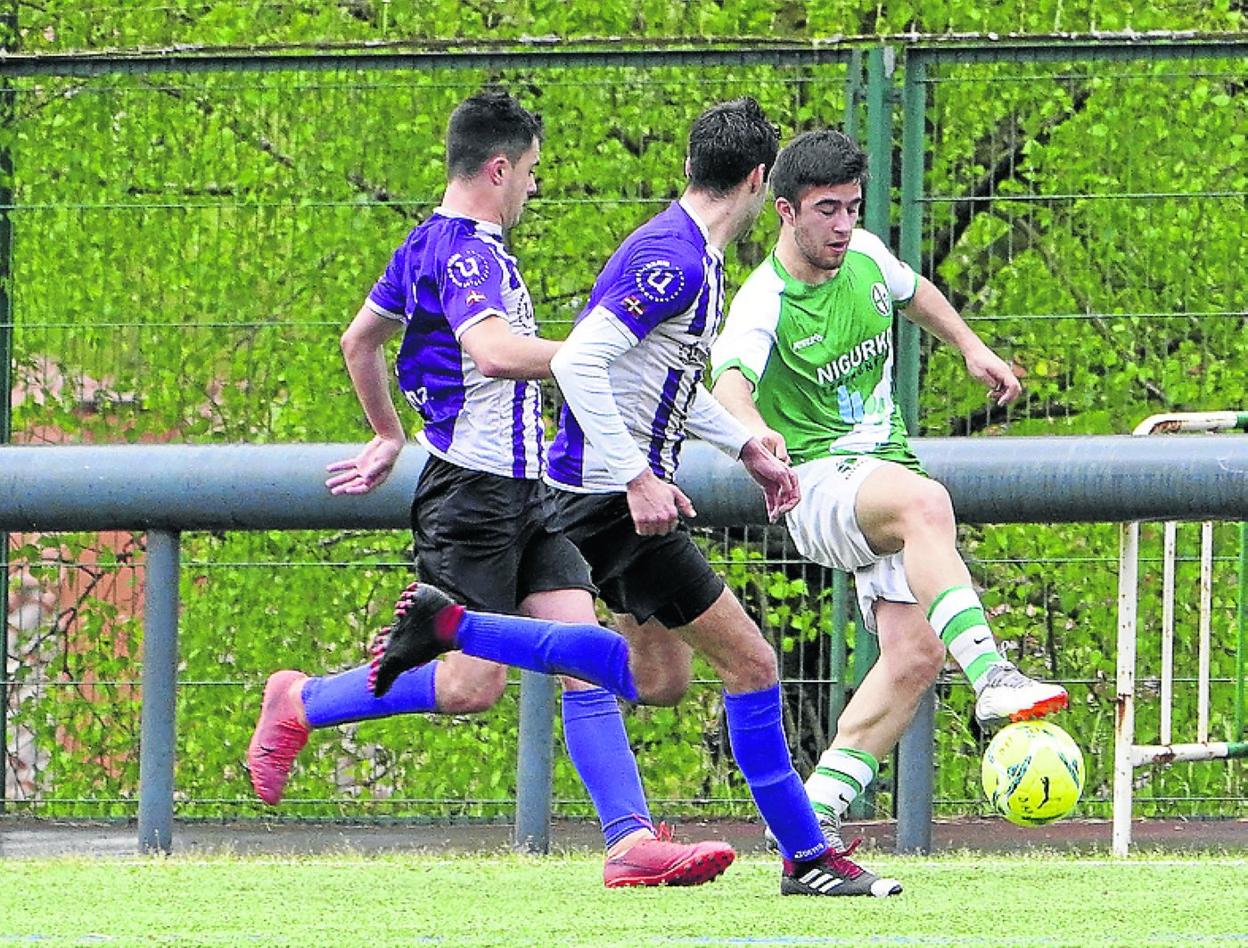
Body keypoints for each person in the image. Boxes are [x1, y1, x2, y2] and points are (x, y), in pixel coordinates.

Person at [371, 98, 903, 897]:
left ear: (692, 166)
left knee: (659, 680)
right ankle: (806, 856)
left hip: (594, 493)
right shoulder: (677, 259)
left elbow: (657, 380)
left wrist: (745, 445)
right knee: (753, 663)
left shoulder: (694, 254)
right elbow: (584, 363)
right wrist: (637, 475)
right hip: (606, 499)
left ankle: (454, 624)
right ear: (761, 182)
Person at [246, 88, 736, 890]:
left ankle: (629, 841)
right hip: (470, 498)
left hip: (530, 492)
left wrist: (387, 434)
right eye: (532, 173)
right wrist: (599, 353)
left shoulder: (426, 243)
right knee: (472, 687)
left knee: (583, 657)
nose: (534, 189)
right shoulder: (467, 253)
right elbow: (498, 352)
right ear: (499, 167)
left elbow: (359, 340)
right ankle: (301, 701)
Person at [709, 128, 1069, 861]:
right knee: (926, 503)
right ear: (784, 211)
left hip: (878, 469)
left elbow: (915, 292)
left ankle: (808, 827)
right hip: (812, 484)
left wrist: (973, 348)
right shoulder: (763, 303)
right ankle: (993, 675)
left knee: (912, 656)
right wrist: (756, 439)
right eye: (826, 211)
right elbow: (728, 388)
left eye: (852, 207)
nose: (843, 225)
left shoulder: (866, 254)